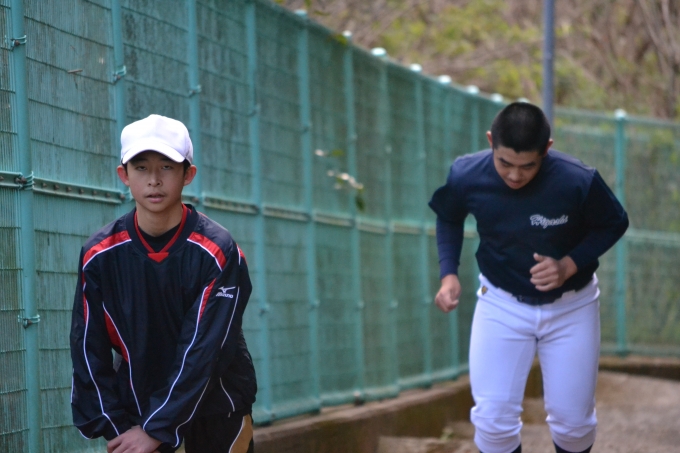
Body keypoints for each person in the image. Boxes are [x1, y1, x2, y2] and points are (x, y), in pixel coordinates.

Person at [429, 102, 629, 453]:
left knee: (573, 426)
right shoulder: (467, 175)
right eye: (504, 163)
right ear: (491, 141)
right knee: (492, 423)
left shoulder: (577, 180)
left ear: (546, 149)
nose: (515, 176)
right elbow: (448, 216)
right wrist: (449, 274)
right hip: (500, 303)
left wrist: (568, 265)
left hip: (572, 308)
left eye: (527, 166)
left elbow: (614, 222)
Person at [70, 114, 257, 453]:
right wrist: (114, 424)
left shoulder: (218, 251)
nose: (154, 180)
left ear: (188, 174)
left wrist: (157, 428)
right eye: (141, 168)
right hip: (137, 414)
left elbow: (205, 349)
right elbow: (87, 348)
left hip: (217, 410)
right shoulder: (99, 255)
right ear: (124, 175)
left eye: (167, 167)